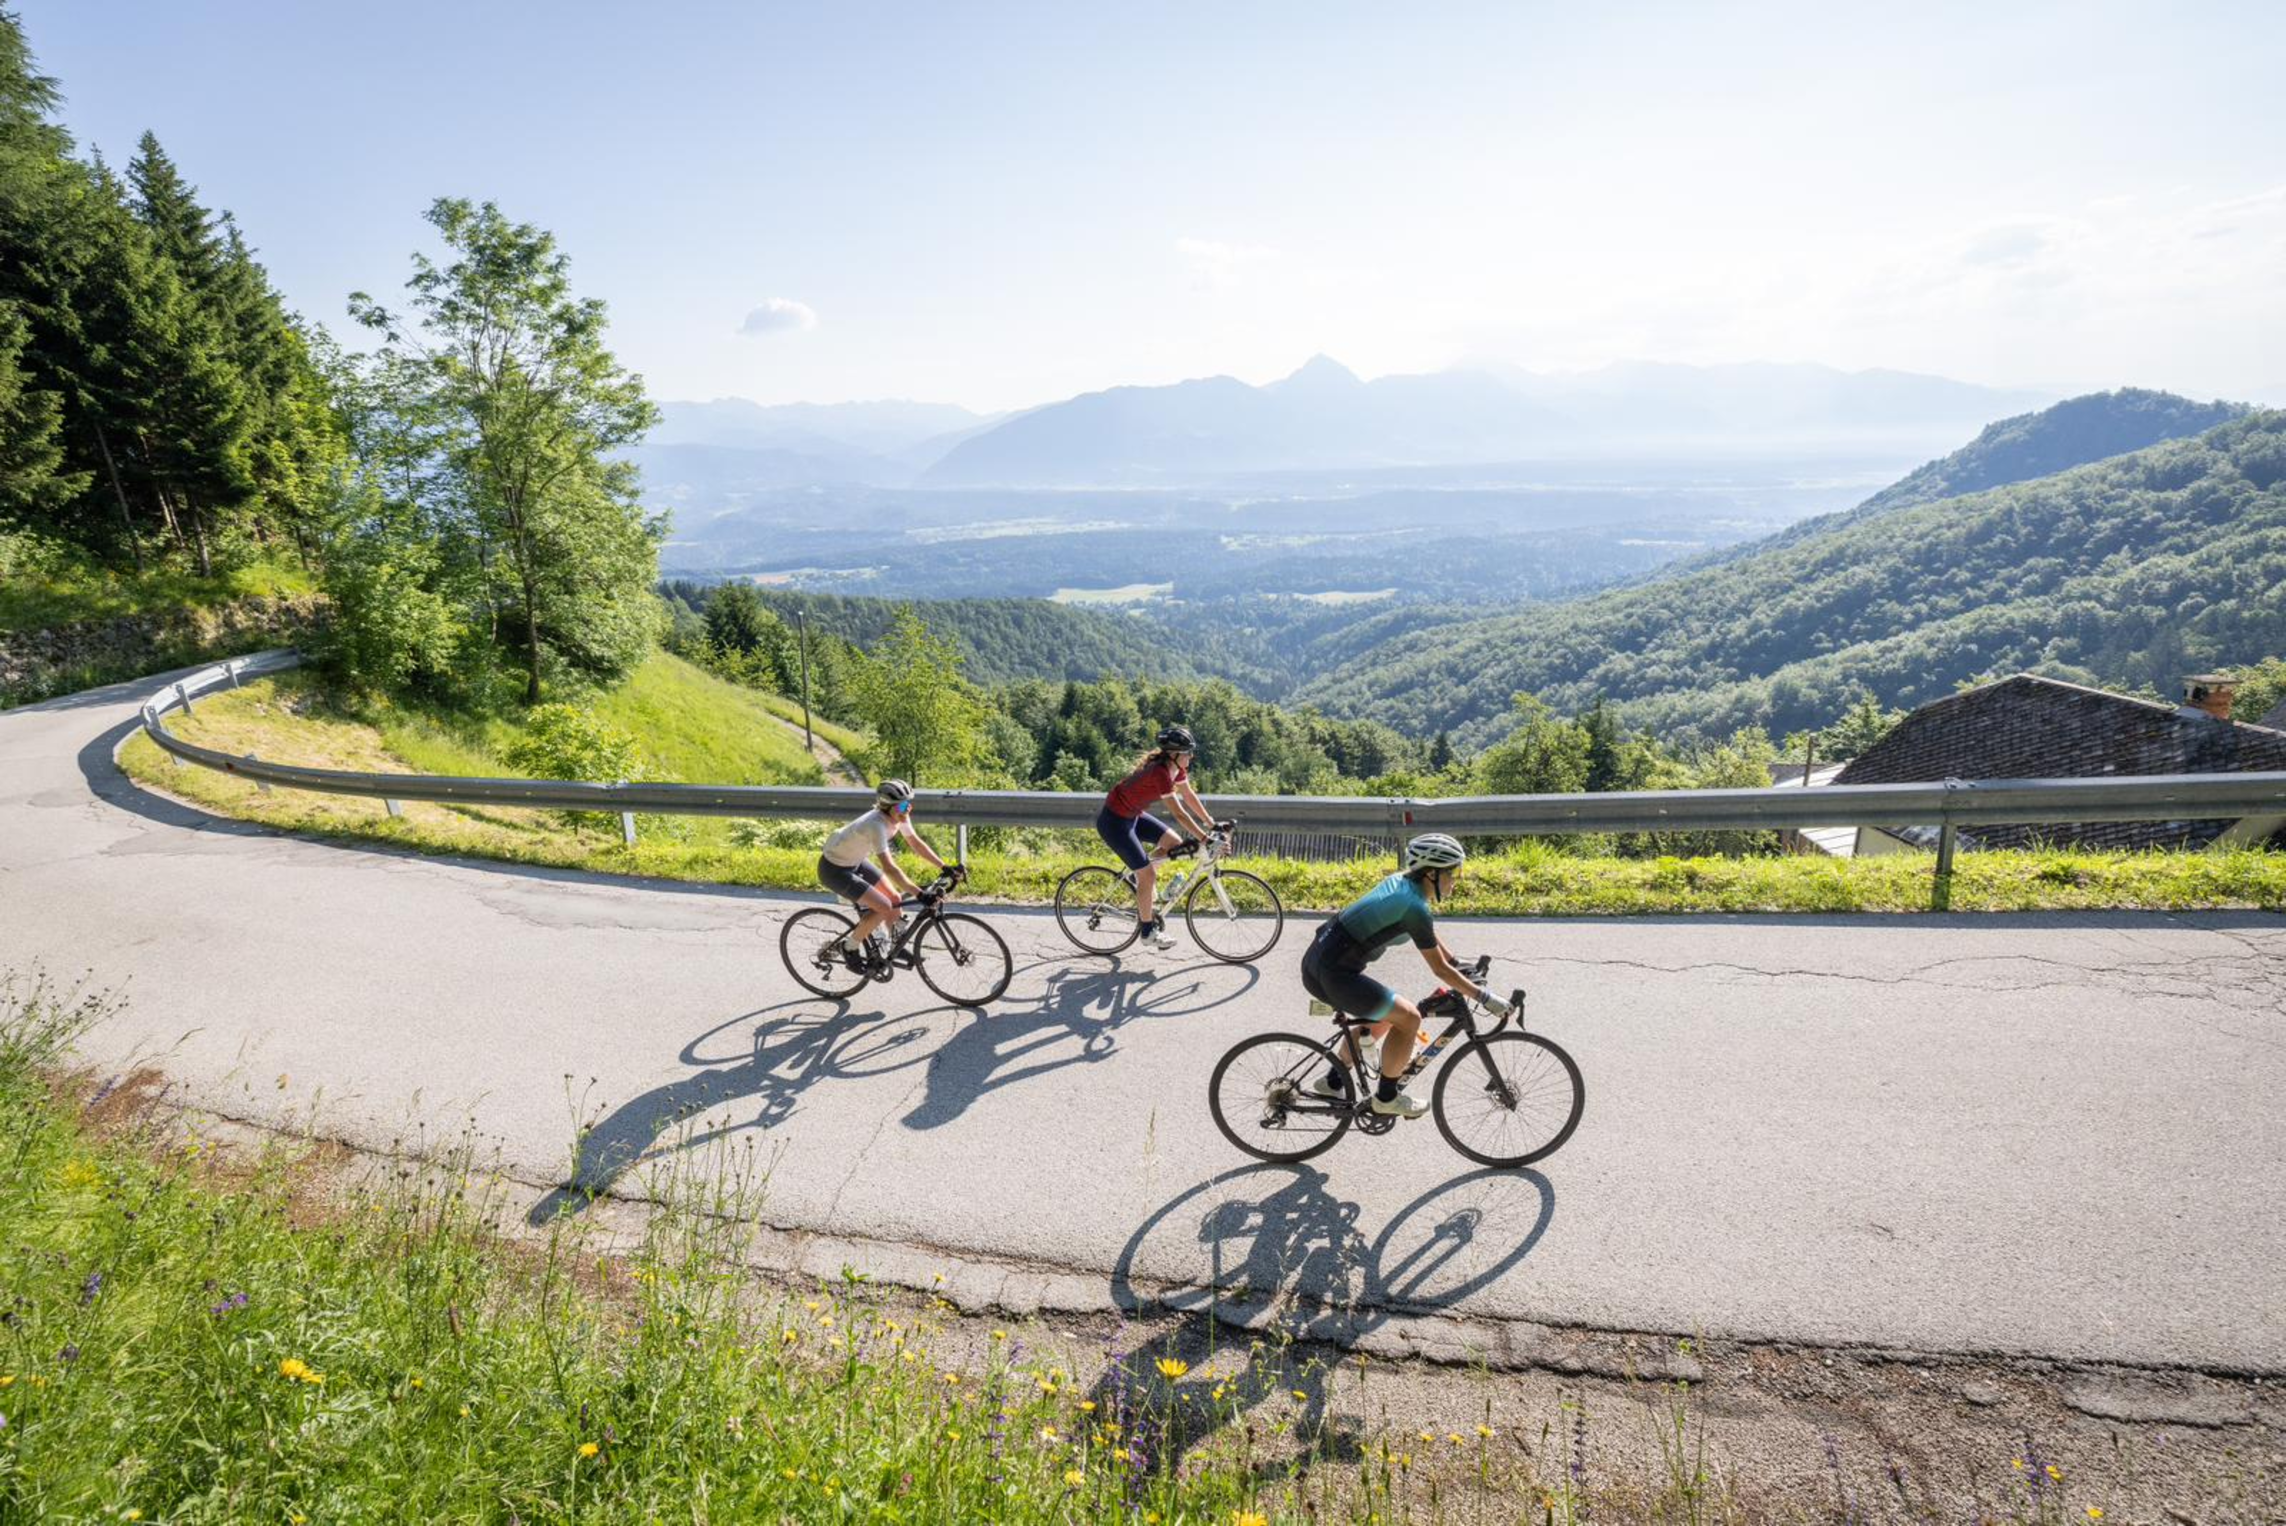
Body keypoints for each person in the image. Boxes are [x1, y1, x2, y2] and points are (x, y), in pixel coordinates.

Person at [1301, 832, 1509, 1118]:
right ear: (1431, 873)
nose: (1455, 880)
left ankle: (1333, 1081)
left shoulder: (1403, 884)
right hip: (1334, 975)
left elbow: (1426, 934)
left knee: (1387, 1014)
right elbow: (1439, 969)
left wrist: (1457, 962)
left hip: (1317, 963)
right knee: (1409, 1018)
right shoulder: (1414, 907)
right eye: (1451, 873)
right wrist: (1484, 997)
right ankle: (1386, 1099)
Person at [1097, 724, 1219, 950]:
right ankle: (1147, 932)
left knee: (1174, 844)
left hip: (1133, 816)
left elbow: (1188, 795)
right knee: (1148, 874)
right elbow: (1179, 814)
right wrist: (1204, 839)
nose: (1191, 756)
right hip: (1114, 822)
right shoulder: (1160, 773)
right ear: (1174, 754)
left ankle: (1140, 881)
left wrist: (1210, 822)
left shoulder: (1176, 769)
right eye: (1187, 752)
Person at [817, 779, 948, 970]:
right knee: (883, 906)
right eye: (902, 805)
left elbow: (915, 843)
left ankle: (895, 945)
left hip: (855, 861)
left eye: (909, 803)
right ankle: (849, 947)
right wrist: (919, 894)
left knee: (895, 898)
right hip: (834, 870)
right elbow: (890, 868)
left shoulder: (899, 816)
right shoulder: (876, 825)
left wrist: (945, 867)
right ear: (888, 806)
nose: (907, 808)